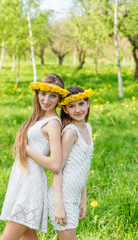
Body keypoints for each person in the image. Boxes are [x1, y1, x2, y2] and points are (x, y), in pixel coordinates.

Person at [0, 74, 69, 240]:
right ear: (37, 94)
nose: (46, 99)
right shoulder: (39, 117)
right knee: (28, 237)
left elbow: (55, 165)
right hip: (21, 181)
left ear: (59, 98)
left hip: (30, 187)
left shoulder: (53, 123)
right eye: (43, 94)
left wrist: (26, 149)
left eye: (52, 95)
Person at [48, 86, 94, 240]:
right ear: (66, 110)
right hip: (63, 195)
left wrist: (83, 199)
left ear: (88, 103)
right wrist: (59, 205)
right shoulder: (70, 133)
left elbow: (84, 167)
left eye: (81, 104)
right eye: (72, 106)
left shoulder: (87, 128)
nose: (78, 110)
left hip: (74, 195)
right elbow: (57, 169)